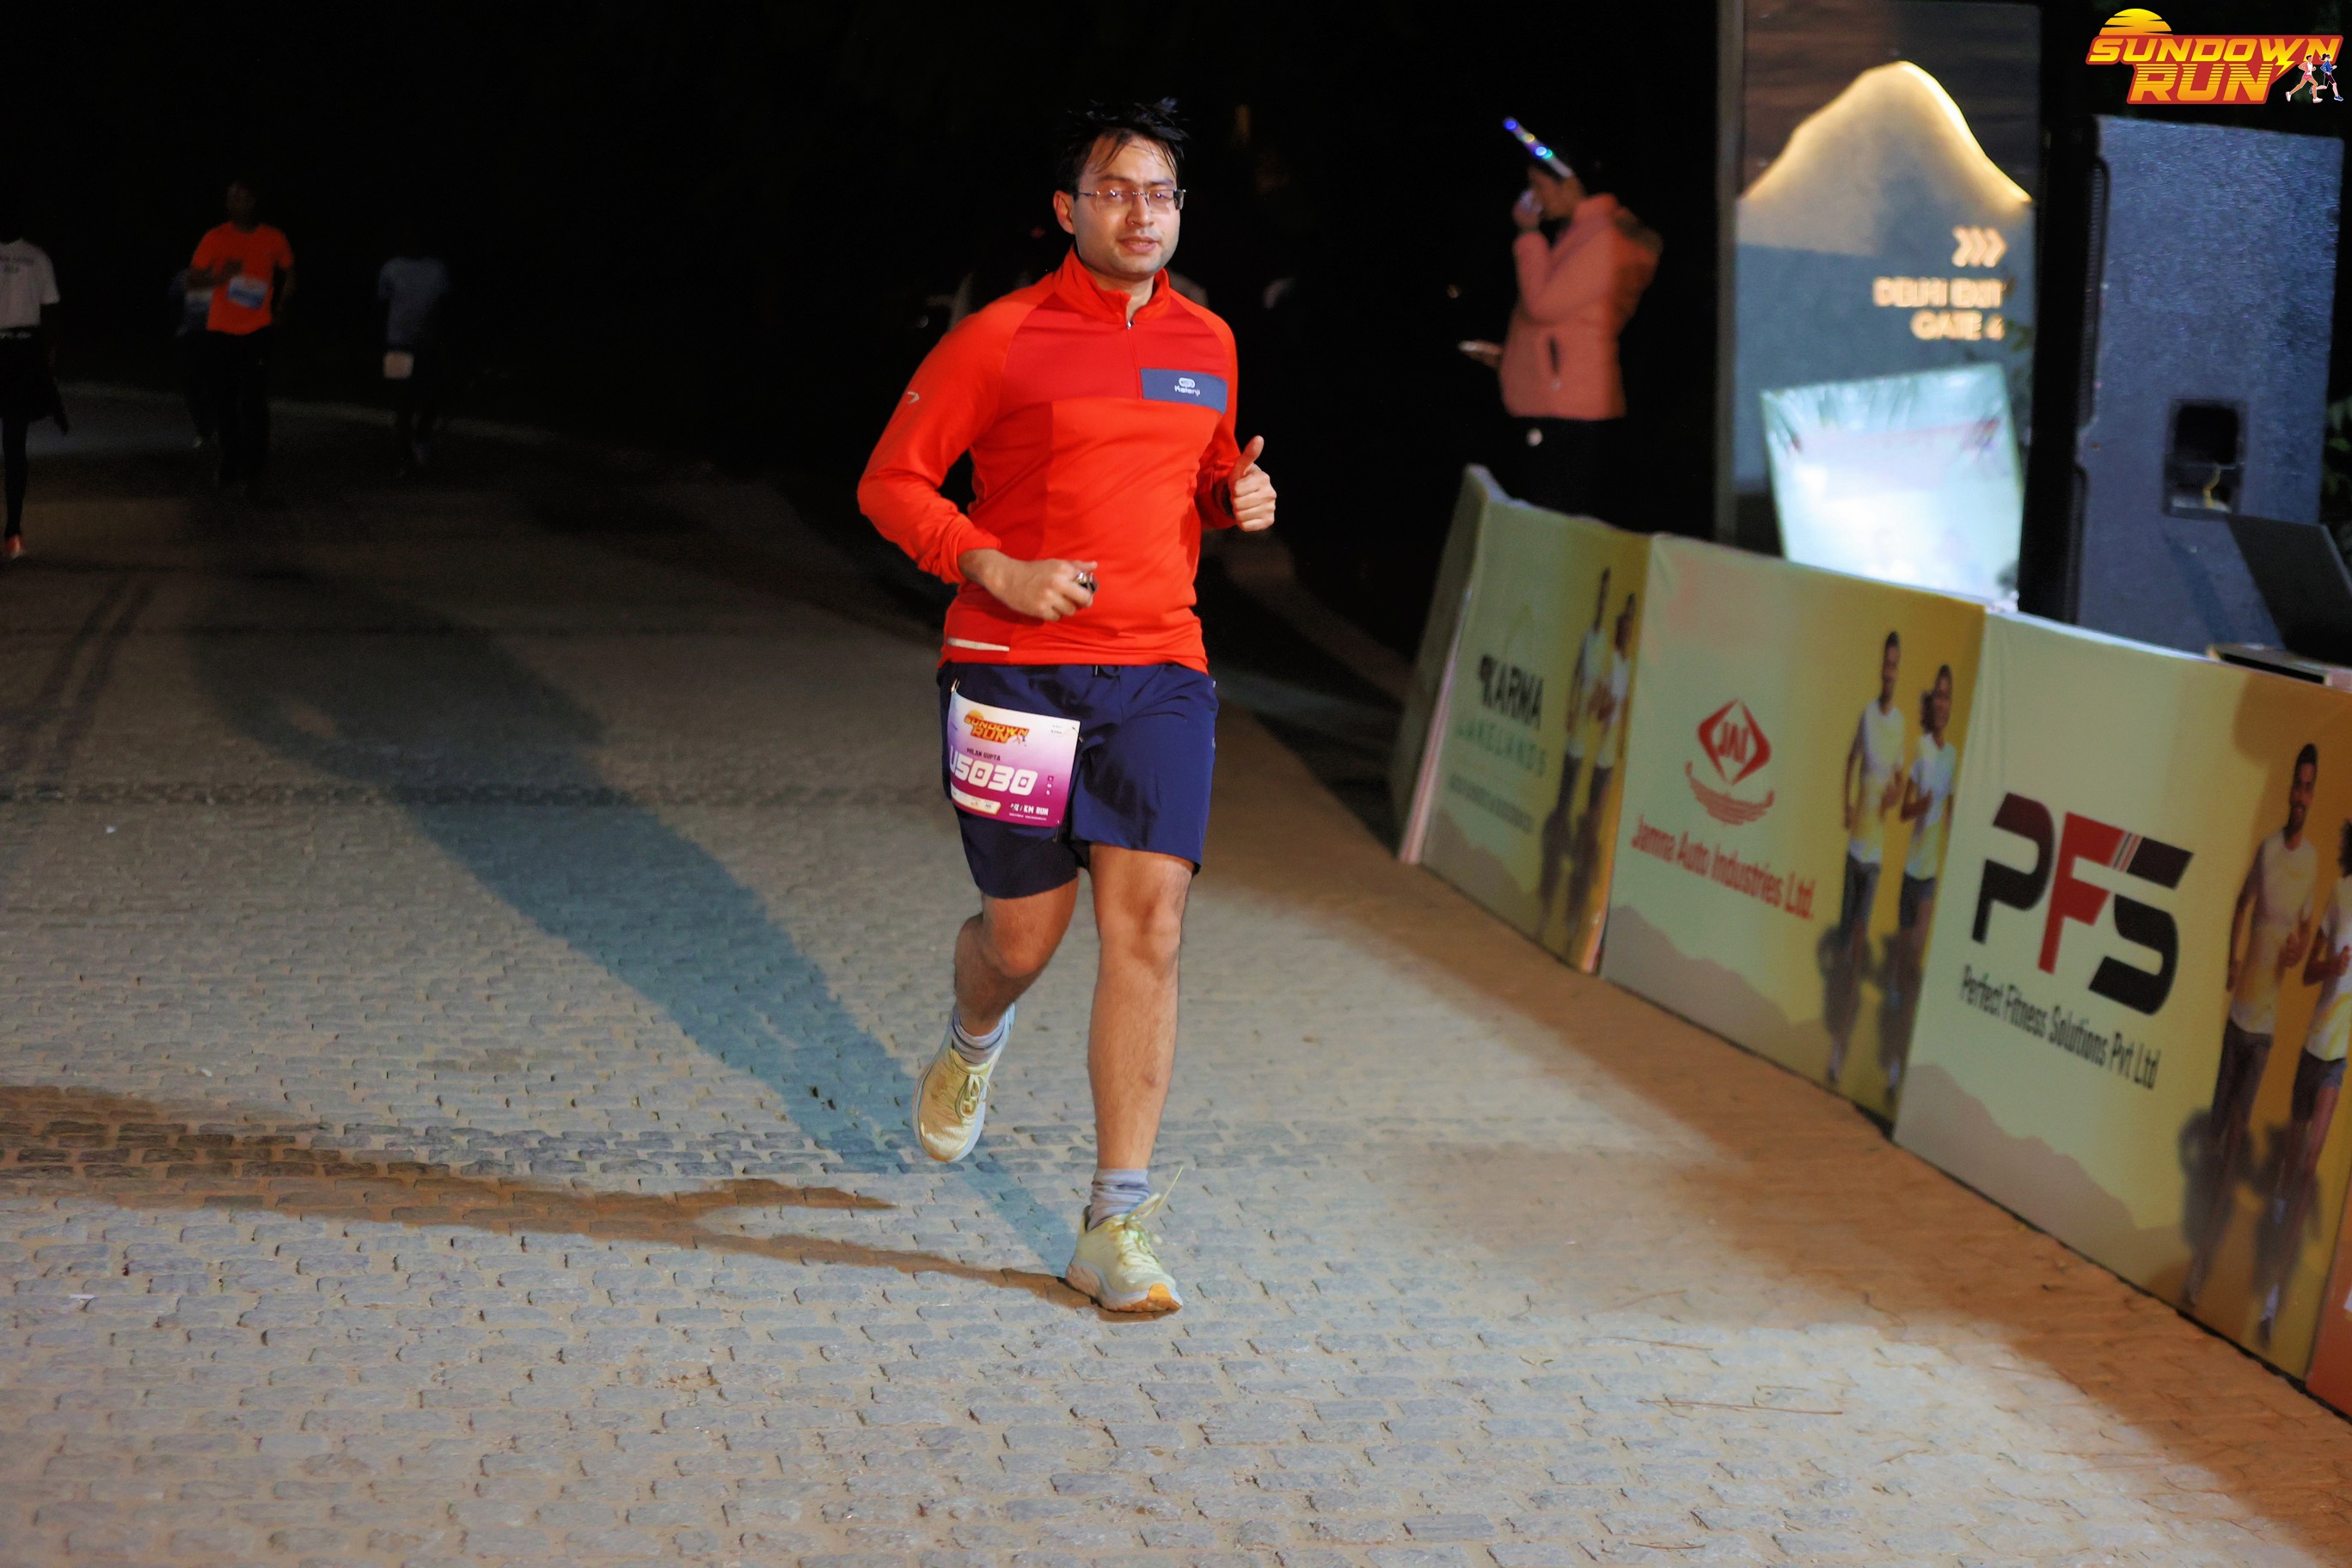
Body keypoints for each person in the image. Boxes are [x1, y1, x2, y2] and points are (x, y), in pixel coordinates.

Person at [857, 101, 1276, 1313]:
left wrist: (1234, 496)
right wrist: (992, 565)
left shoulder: (1208, 338)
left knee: (1149, 929)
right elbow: (891, 484)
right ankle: (973, 1037)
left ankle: (1114, 1223)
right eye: (1117, 191)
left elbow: (1196, 476)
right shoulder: (999, 337)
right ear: (1067, 209)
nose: (1144, 213)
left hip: (1158, 669)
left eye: (1163, 193)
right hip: (1012, 667)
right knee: (1023, 941)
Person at [2185, 744, 2320, 1308]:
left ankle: (2200, 1265)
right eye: (2298, 784)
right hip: (2237, 1016)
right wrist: (2231, 959)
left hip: (2264, 1029)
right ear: (2288, 789)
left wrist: (2296, 952)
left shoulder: (2311, 863)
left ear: (2312, 795)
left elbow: (2304, 937)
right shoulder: (2267, 850)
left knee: (2237, 1137)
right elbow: (2241, 904)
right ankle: (2197, 1241)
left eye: (2309, 787)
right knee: (2217, 1136)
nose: (2301, 794)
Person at [1461, 142, 1659, 517]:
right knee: (1543, 518)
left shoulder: (1603, 237)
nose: (1533, 197)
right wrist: (1510, 358)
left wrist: (1528, 234)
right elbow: (1568, 327)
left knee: (1551, 520)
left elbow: (1543, 307)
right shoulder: (1580, 232)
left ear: (1571, 184)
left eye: (1539, 185)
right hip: (1559, 404)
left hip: (1569, 410)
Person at [2249, 819, 2352, 1340]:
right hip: (2312, 1047)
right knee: (2291, 1170)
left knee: (2310, 1165)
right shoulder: (2342, 893)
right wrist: (2332, 966)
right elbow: (2311, 972)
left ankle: (2273, 1301)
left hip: (2337, 1058)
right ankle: (2277, 1218)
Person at [1826, 631, 1906, 1087]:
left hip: (1875, 855)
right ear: (1881, 668)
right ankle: (1836, 1027)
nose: (1889, 671)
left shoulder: (1900, 726)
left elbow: (1899, 784)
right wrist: (1845, 804)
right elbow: (1850, 760)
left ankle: (1840, 1048)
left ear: (1899, 670)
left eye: (1896, 664)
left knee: (1858, 945)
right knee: (1843, 944)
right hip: (1854, 848)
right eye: (1886, 663)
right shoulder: (1868, 717)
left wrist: (1894, 796)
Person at [188, 181, 296, 498]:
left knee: (254, 402)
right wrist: (223, 276)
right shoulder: (215, 237)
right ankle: (231, 458)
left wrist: (282, 305)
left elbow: (291, 272)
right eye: (230, 198)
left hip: (258, 330)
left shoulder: (272, 238)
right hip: (221, 331)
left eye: (242, 197)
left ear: (254, 201)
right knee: (224, 401)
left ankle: (254, 469)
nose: (235, 203)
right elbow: (193, 280)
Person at [1884, 663, 1957, 1093]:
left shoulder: (1953, 756)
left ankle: (1901, 1063)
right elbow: (1905, 811)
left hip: (1930, 875)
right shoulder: (1921, 749)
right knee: (1902, 963)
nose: (1943, 703)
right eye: (1939, 696)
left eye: (1948, 696)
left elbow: (1951, 814)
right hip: (1910, 872)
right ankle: (1895, 1000)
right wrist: (1920, 807)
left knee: (1914, 958)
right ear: (1932, 704)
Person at [1536, 568, 1611, 930]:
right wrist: (1571, 709)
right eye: (1601, 593)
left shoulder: (1608, 645)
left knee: (1585, 835)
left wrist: (1600, 709)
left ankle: (1571, 916)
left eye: (1606, 595)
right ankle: (1546, 903)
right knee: (1560, 818)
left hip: (1596, 744)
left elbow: (1604, 693)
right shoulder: (1588, 638)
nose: (1602, 601)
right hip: (1576, 739)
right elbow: (1577, 675)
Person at [0, 195, 65, 564]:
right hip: (18, 350)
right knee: (14, 442)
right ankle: (13, 531)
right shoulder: (38, 257)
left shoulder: (38, 258)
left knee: (14, 443)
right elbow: (52, 311)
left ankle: (13, 528)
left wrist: (48, 357)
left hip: (22, 351)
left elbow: (51, 310)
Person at [378, 228, 451, 469]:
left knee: (433, 395)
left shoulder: (436, 269)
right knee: (402, 400)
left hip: (428, 344)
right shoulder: (391, 268)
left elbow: (444, 306)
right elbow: (383, 304)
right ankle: (404, 455)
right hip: (397, 343)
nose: (412, 242)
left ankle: (421, 437)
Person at [167, 267, 214, 447]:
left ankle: (214, 426)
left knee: (215, 381)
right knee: (191, 383)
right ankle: (203, 430)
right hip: (192, 334)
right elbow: (175, 300)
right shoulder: (185, 274)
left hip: (217, 335)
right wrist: (180, 327)